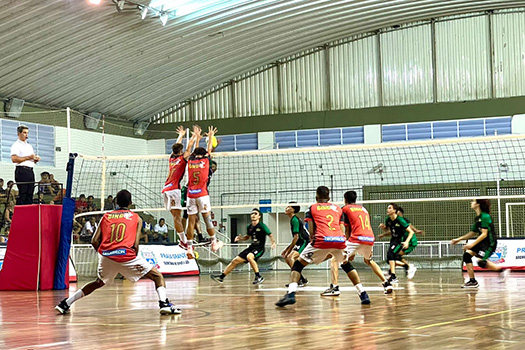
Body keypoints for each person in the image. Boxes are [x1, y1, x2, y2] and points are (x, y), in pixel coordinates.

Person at [55, 189, 181, 315]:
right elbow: (136, 245)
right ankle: (164, 303)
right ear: (131, 203)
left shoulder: (106, 216)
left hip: (107, 256)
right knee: (157, 276)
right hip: (126, 256)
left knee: (98, 282)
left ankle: (65, 303)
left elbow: (94, 241)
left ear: (116, 202)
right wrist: (129, 261)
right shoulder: (136, 218)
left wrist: (105, 255)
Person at [276, 186, 370, 307]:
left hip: (322, 239)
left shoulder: (312, 208)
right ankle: (363, 294)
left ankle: (290, 294)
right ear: (329, 197)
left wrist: (314, 244)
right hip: (339, 240)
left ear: (316, 197)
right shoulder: (337, 208)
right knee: (346, 265)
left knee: (298, 265)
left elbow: (311, 230)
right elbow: (342, 228)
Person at [322, 191, 393, 296]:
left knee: (334, 260)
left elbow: (347, 229)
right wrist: (352, 251)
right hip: (369, 238)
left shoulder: (345, 209)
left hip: (356, 238)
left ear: (345, 199)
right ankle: (386, 283)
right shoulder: (363, 209)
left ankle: (335, 287)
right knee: (369, 261)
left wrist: (347, 247)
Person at [451, 199, 509, 288]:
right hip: (482, 242)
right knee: (467, 256)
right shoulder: (478, 218)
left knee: (481, 262)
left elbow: (484, 234)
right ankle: (472, 281)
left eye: (473, 201)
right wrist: (458, 239)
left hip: (489, 243)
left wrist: (471, 245)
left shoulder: (485, 216)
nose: (471, 203)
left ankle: (502, 271)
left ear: (478, 204)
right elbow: (473, 233)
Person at [211, 209, 276, 284]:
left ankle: (258, 276)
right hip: (252, 247)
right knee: (235, 261)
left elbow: (270, 234)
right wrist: (240, 238)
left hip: (259, 248)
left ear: (259, 216)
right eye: (252, 213)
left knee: (249, 257)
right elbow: (247, 237)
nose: (253, 215)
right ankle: (221, 277)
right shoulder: (249, 226)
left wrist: (273, 242)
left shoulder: (262, 225)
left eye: (255, 213)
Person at [186, 126, 222, 257]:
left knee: (191, 222)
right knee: (207, 220)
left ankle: (189, 248)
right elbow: (209, 150)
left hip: (190, 195)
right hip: (202, 194)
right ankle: (213, 242)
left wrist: (196, 137)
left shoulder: (190, 161)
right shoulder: (206, 160)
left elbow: (194, 151)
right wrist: (211, 136)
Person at [162, 125, 197, 251]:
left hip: (166, 189)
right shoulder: (182, 158)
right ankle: (183, 242)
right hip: (174, 189)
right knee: (177, 217)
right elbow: (189, 148)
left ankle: (181, 240)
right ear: (181, 152)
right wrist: (194, 136)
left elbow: (177, 146)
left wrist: (181, 135)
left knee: (175, 217)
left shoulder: (172, 157)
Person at [378, 203, 417, 283]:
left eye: (389, 208)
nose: (387, 209)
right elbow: (389, 230)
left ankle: (393, 276)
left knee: (391, 254)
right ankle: (405, 267)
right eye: (387, 208)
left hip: (400, 240)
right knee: (390, 258)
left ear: (395, 210)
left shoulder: (400, 220)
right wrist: (384, 228)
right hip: (393, 239)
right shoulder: (388, 220)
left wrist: (406, 242)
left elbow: (411, 232)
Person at [281, 201, 309, 286]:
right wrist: (287, 249)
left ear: (293, 210)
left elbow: (296, 237)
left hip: (304, 241)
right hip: (300, 242)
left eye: (289, 207)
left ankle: (298, 280)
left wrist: (288, 250)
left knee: (290, 257)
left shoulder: (295, 220)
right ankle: (302, 279)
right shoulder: (293, 219)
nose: (286, 208)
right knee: (287, 258)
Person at [11, 125, 40, 205]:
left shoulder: (29, 146)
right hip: (22, 171)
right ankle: (21, 214)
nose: (26, 135)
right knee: (23, 193)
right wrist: (28, 157)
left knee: (30, 193)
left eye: (27, 133)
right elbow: (14, 159)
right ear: (19, 133)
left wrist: (34, 160)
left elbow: (30, 159)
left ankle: (29, 214)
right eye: (24, 132)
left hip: (30, 170)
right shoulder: (16, 145)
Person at [391, 207, 421, 278]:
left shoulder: (403, 220)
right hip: (403, 241)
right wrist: (383, 234)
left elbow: (410, 227)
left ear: (399, 212)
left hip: (410, 242)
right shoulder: (397, 222)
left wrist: (416, 231)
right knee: (393, 256)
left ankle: (408, 267)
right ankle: (405, 267)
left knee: (395, 256)